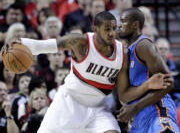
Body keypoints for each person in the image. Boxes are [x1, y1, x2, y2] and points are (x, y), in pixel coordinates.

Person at [1, 11, 172, 133]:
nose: (112, 33)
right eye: (107, 28)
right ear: (95, 29)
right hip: (68, 103)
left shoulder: (123, 53)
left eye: (114, 28)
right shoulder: (80, 42)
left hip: (97, 107)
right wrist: (19, 41)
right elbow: (47, 45)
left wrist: (147, 84)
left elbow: (124, 96)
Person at [117, 8, 180, 133]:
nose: (119, 25)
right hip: (140, 116)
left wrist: (135, 107)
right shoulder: (126, 52)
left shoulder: (144, 45)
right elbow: (124, 96)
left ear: (135, 25)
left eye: (123, 22)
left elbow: (169, 83)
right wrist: (146, 86)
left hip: (157, 110)